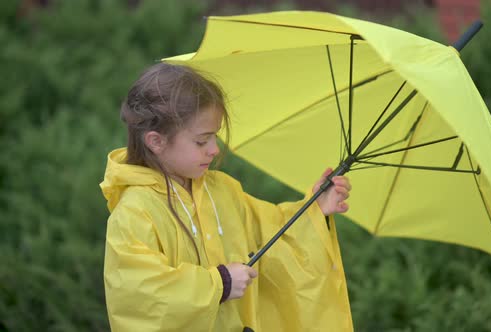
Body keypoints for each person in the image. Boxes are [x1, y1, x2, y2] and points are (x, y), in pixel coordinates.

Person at [100, 63, 354, 331]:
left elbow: (272, 235)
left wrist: (315, 210)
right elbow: (141, 295)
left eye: (215, 137)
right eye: (202, 141)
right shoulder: (135, 212)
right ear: (156, 141)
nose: (214, 149)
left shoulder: (221, 190)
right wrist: (219, 284)